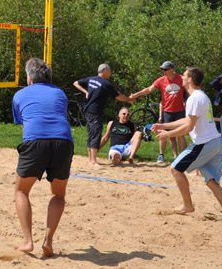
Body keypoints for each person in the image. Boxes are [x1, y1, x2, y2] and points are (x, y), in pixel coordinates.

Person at [152, 66, 222, 220]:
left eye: (184, 75)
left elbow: (188, 127)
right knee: (211, 182)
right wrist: (164, 125)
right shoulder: (200, 96)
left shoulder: (194, 98)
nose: (181, 77)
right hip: (215, 142)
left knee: (175, 169)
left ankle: (187, 205)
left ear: (190, 79)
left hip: (205, 143)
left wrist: (167, 134)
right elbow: (187, 120)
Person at [12, 58, 73, 256]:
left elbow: (26, 126)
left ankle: (28, 241)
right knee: (58, 194)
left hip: (35, 142)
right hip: (63, 142)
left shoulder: (20, 95)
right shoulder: (60, 93)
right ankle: (48, 241)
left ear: (29, 78)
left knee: (21, 191)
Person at [73, 64, 134, 167]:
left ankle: (90, 159)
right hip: (95, 111)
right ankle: (93, 161)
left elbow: (76, 83)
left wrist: (86, 92)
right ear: (105, 71)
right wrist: (129, 99)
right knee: (96, 134)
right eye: (109, 71)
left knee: (91, 134)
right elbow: (118, 97)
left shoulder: (91, 79)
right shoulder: (106, 84)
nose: (110, 73)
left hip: (88, 110)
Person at [131, 61, 187, 163]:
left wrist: (189, 103)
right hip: (167, 111)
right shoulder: (161, 80)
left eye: (165, 69)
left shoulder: (181, 78)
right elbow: (149, 89)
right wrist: (137, 94)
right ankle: (164, 155)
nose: (163, 71)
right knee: (165, 133)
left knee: (181, 134)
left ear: (172, 69)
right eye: (162, 69)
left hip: (180, 111)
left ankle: (182, 156)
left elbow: (190, 89)